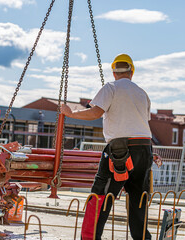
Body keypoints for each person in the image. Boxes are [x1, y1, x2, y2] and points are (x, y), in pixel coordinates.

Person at [61, 53, 153, 240]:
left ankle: (90, 238)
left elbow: (95, 112)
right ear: (132, 72)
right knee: (138, 200)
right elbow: (139, 123)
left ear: (113, 72)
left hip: (120, 150)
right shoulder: (142, 93)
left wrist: (71, 113)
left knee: (100, 196)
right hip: (144, 149)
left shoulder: (110, 88)